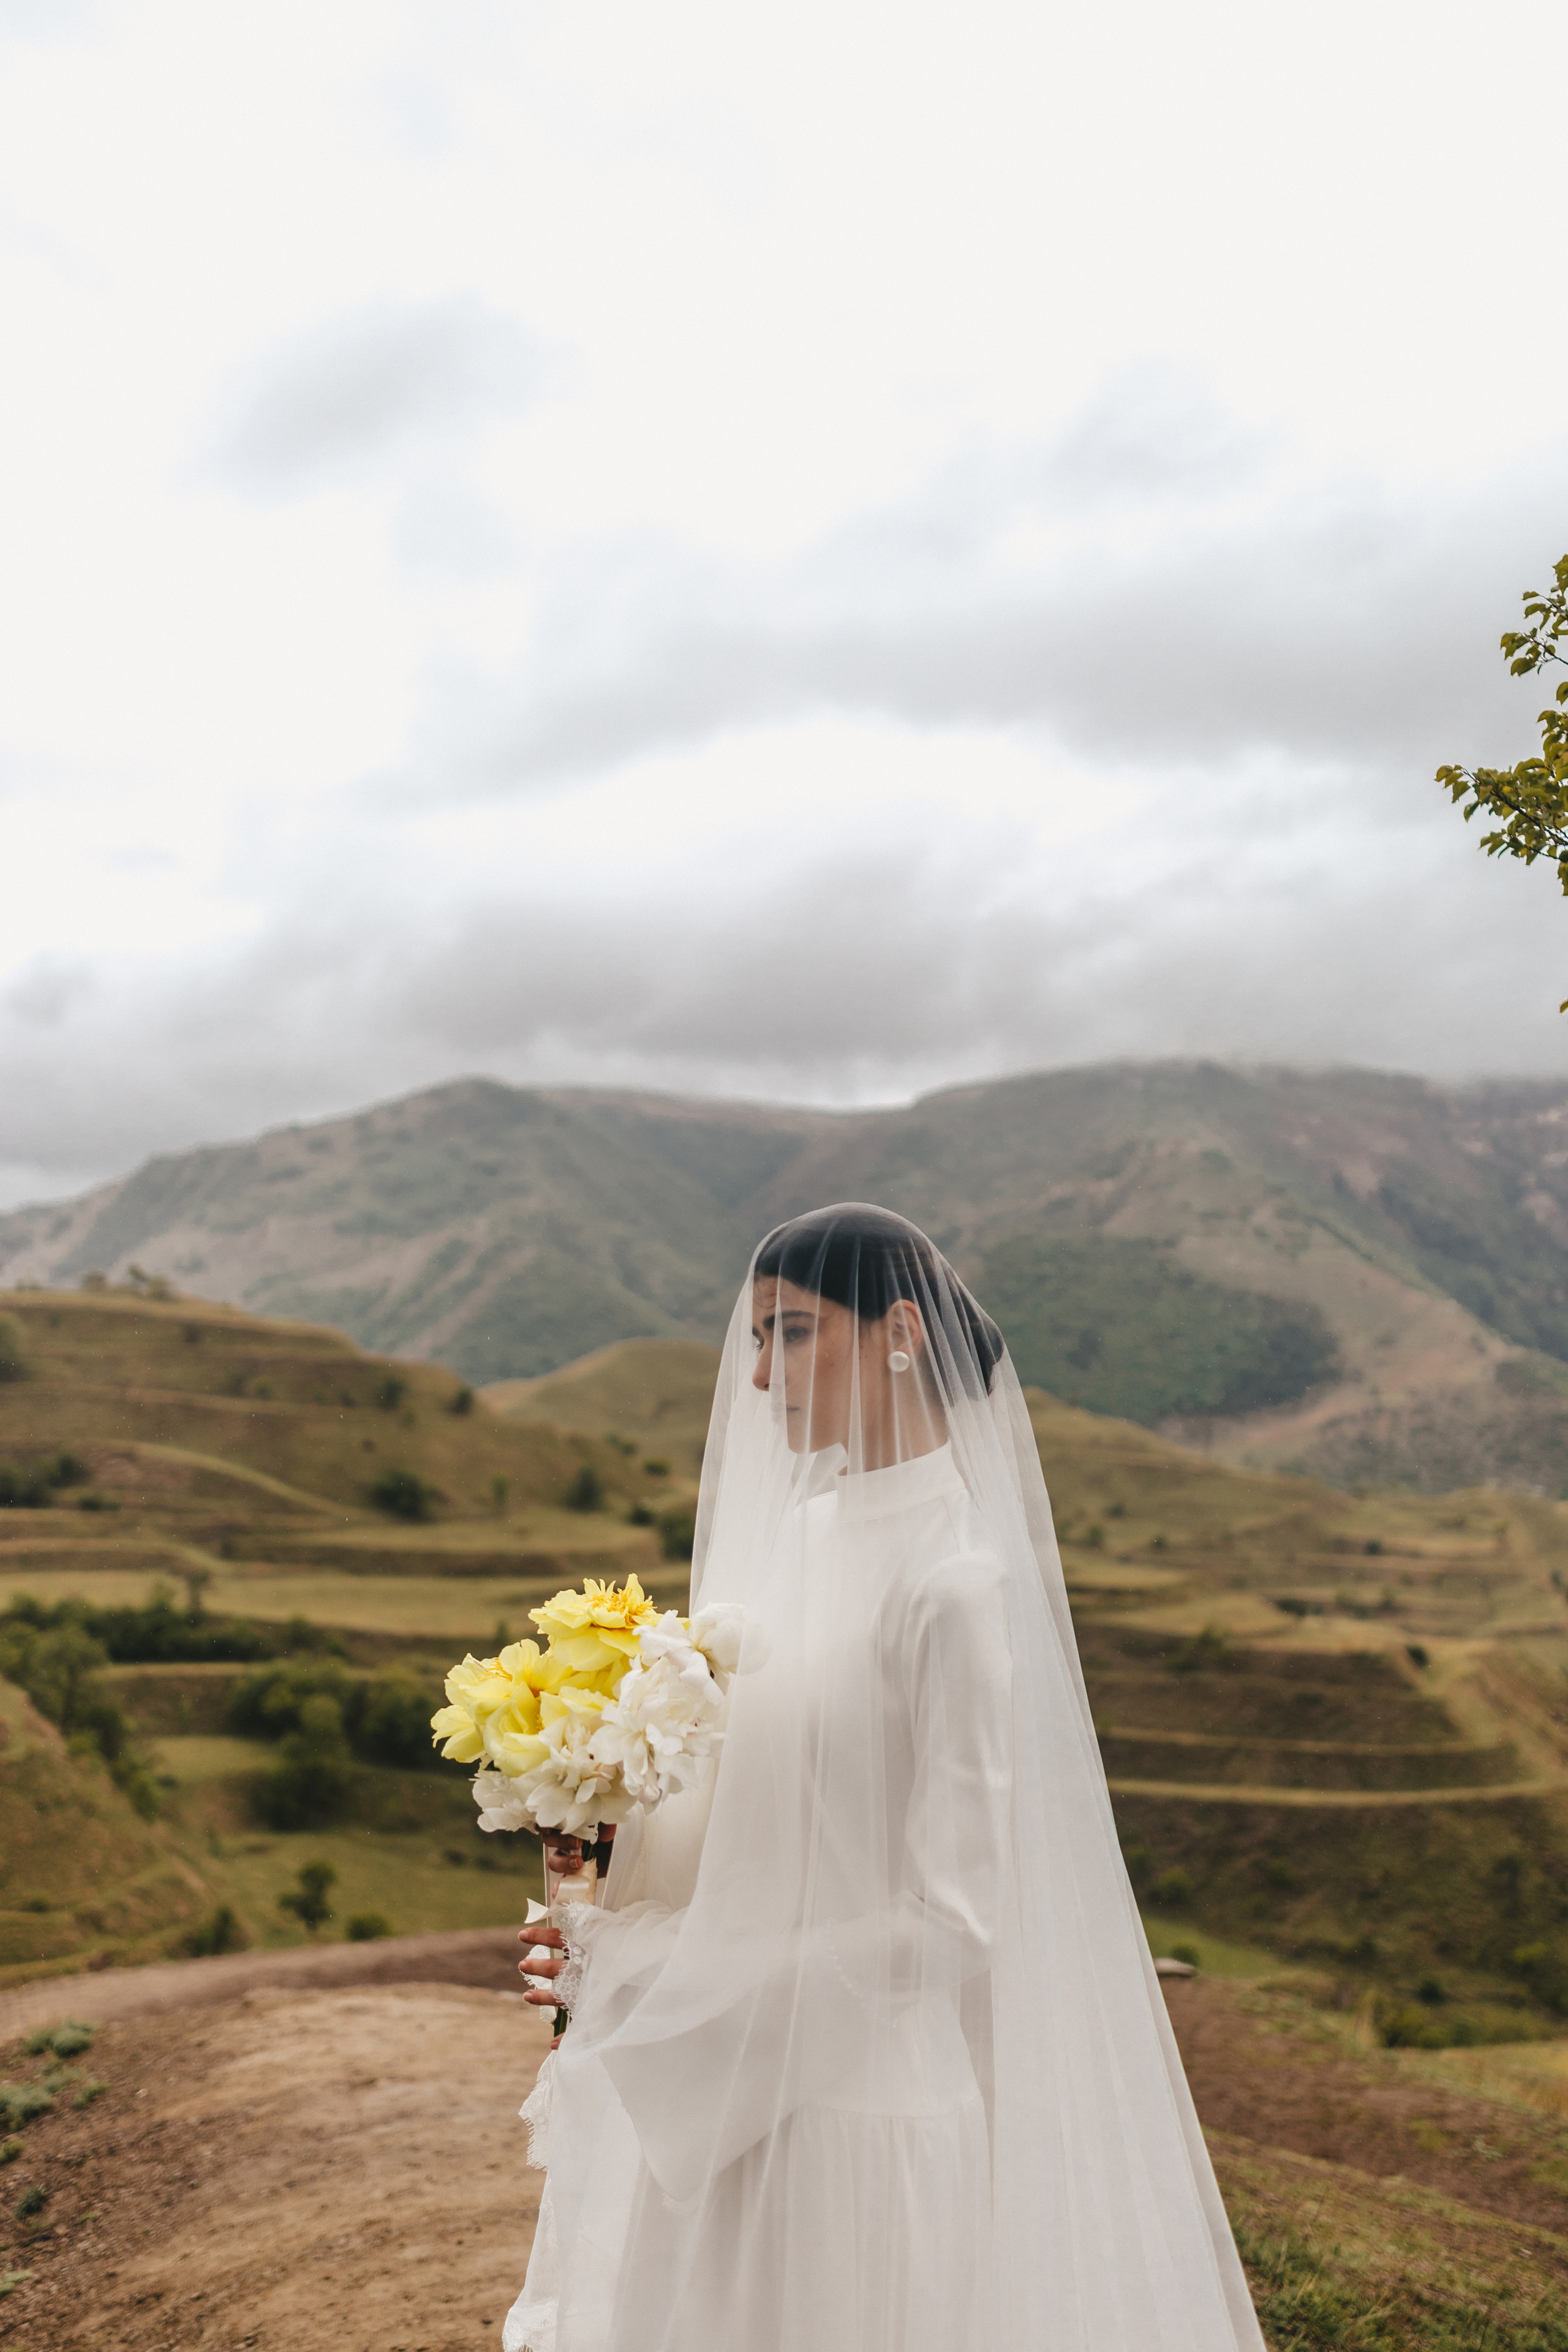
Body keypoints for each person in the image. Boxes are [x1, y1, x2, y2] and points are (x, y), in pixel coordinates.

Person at [507, 1203, 1265, 2352]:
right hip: (729, 2112)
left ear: (899, 1332)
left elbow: (952, 1919)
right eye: (754, 1340)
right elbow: (759, 1818)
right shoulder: (800, 1541)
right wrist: (598, 1886)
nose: (760, 1379)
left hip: (856, 2129)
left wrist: (658, 1976)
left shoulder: (954, 1584)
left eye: (793, 1333)